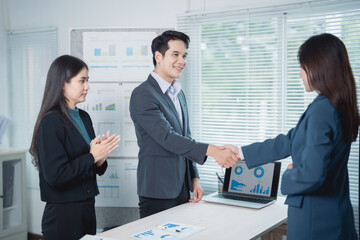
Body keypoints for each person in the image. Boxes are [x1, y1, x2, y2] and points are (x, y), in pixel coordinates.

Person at [225, 33, 359, 239]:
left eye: (303, 66)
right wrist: (241, 152)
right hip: (334, 214)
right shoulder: (338, 105)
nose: (300, 73)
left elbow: (313, 175)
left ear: (319, 67)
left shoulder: (322, 110)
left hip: (315, 221)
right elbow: (290, 140)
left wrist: (288, 175)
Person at [129, 30, 239, 218]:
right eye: (175, 54)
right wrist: (214, 151)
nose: (182, 61)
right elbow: (167, 138)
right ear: (158, 56)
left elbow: (185, 138)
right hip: (158, 190)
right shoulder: (143, 94)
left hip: (182, 187)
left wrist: (194, 179)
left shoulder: (178, 93)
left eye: (184, 55)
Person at [29, 55, 120, 240]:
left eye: (87, 81)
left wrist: (100, 160)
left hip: (86, 208)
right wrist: (92, 157)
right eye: (82, 81)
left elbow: (92, 166)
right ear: (63, 84)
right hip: (63, 216)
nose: (88, 86)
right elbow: (55, 176)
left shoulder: (84, 117)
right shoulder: (51, 122)